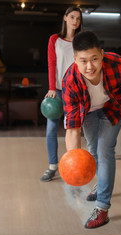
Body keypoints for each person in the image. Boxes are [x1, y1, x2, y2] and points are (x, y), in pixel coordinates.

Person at [62, 31, 121, 228]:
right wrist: (73, 161)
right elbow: (72, 128)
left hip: (113, 108)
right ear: (75, 59)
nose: (90, 66)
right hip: (88, 112)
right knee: (92, 151)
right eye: (83, 60)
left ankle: (102, 207)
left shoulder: (117, 64)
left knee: (105, 151)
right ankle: (101, 184)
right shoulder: (70, 81)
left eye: (94, 59)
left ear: (102, 54)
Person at [40, 6, 83, 182]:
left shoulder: (80, 41)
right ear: (65, 18)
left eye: (78, 19)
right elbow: (51, 64)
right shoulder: (54, 40)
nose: (75, 21)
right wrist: (51, 87)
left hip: (74, 91)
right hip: (57, 90)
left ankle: (72, 167)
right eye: (72, 17)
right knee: (51, 129)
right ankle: (52, 166)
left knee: (73, 130)